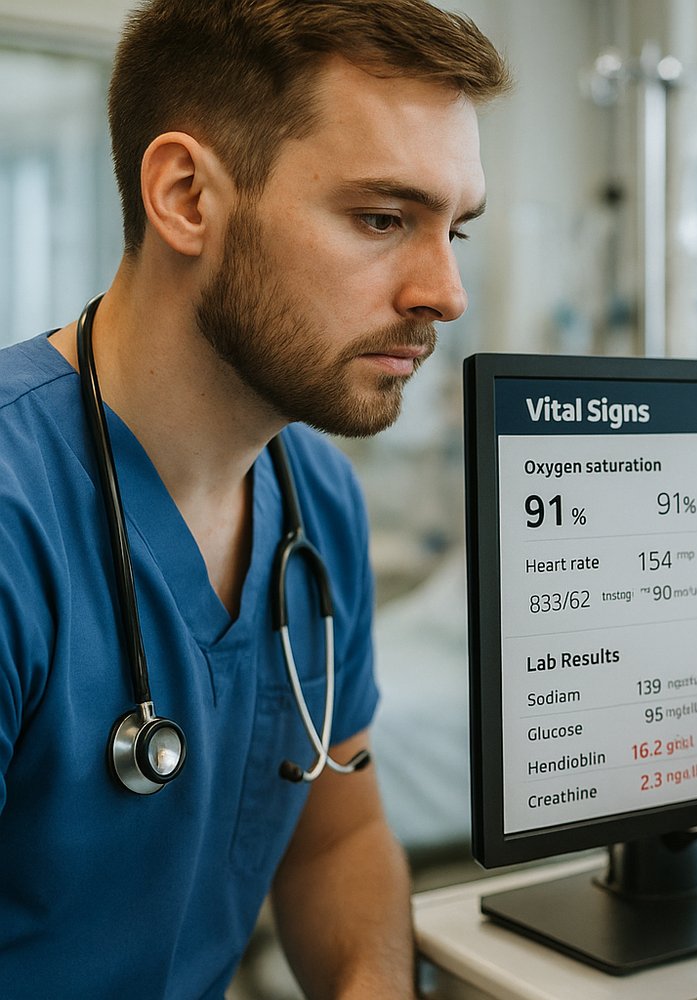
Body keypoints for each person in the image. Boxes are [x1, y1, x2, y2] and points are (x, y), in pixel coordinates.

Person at [0, 1, 508, 996]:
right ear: (186, 195)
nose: (446, 292)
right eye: (383, 218)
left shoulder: (315, 498)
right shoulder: (16, 517)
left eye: (455, 229)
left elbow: (335, 839)